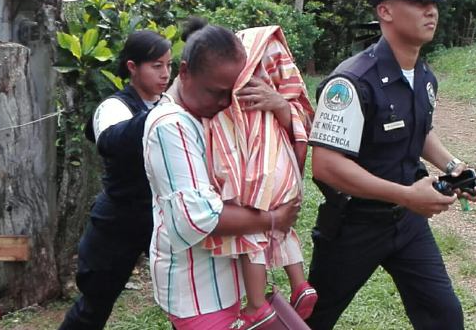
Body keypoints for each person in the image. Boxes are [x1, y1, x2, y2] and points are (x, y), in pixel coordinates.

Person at [305, 0, 476, 330]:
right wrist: (406, 195)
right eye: (419, 3)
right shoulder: (350, 83)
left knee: (445, 318)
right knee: (314, 319)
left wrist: (453, 168)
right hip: (355, 225)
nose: (430, 11)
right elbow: (326, 165)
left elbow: (419, 132)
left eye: (433, 3)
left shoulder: (424, 76)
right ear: (385, 11)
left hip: (408, 224)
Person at [143, 19, 302, 330]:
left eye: (231, 93)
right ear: (185, 72)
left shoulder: (212, 117)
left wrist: (281, 107)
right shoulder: (170, 126)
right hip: (199, 292)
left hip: (229, 285)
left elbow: (278, 157)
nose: (224, 103)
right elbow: (197, 218)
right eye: (215, 92)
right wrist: (273, 220)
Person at [202, 26, 317, 328]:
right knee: (283, 226)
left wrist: (281, 104)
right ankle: (300, 284)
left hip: (255, 174)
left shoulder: (226, 97)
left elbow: (221, 146)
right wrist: (283, 105)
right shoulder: (272, 76)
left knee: (249, 229)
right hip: (285, 170)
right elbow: (304, 114)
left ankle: (256, 305)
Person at [59, 30, 172, 330]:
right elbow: (110, 141)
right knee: (94, 305)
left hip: (163, 217)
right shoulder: (113, 106)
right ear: (133, 68)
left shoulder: (170, 105)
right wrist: (164, 111)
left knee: (185, 301)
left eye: (169, 66)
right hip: (119, 221)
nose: (165, 74)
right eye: (156, 66)